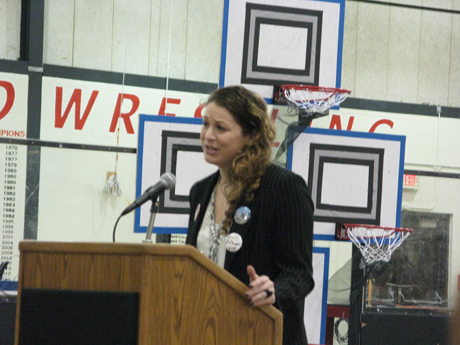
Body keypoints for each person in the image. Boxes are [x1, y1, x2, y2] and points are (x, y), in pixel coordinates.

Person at [186, 85, 315, 345]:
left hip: (264, 333)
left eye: (220, 128)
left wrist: (272, 290)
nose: (208, 136)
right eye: (205, 124)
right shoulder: (200, 192)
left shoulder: (284, 188)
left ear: (249, 136)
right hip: (208, 332)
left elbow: (300, 275)